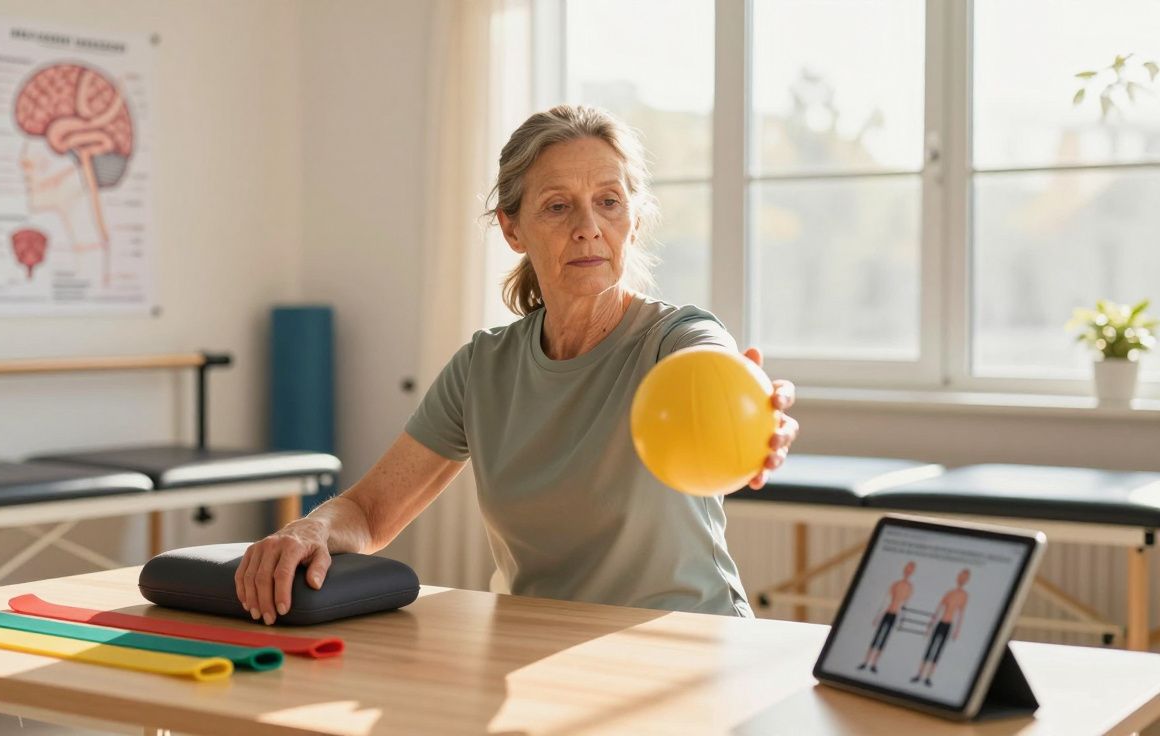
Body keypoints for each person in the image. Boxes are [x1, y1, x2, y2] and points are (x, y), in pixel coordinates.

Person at [236, 105, 799, 625]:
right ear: (512, 228)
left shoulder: (674, 339)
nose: (588, 226)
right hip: (535, 645)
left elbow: (713, 367)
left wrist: (754, 408)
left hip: (684, 641)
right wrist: (310, 528)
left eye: (609, 201)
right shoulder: (484, 368)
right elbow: (368, 511)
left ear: (633, 216)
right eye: (557, 206)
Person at [912, 568, 970, 686]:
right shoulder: (950, 592)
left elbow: (960, 614)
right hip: (940, 623)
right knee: (930, 648)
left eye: (965, 577)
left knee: (938, 650)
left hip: (948, 625)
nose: (962, 579)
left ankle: (928, 677)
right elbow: (939, 608)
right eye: (961, 576)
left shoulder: (964, 595)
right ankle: (919, 674)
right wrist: (930, 624)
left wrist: (957, 630)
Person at [858, 561, 916, 673]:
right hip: (887, 612)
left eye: (910, 569)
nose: (908, 571)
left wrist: (900, 621)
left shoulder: (909, 587)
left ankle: (874, 664)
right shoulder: (895, 584)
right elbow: (886, 600)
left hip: (895, 615)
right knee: (876, 638)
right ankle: (865, 662)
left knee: (884, 639)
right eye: (907, 568)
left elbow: (905, 605)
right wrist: (877, 616)